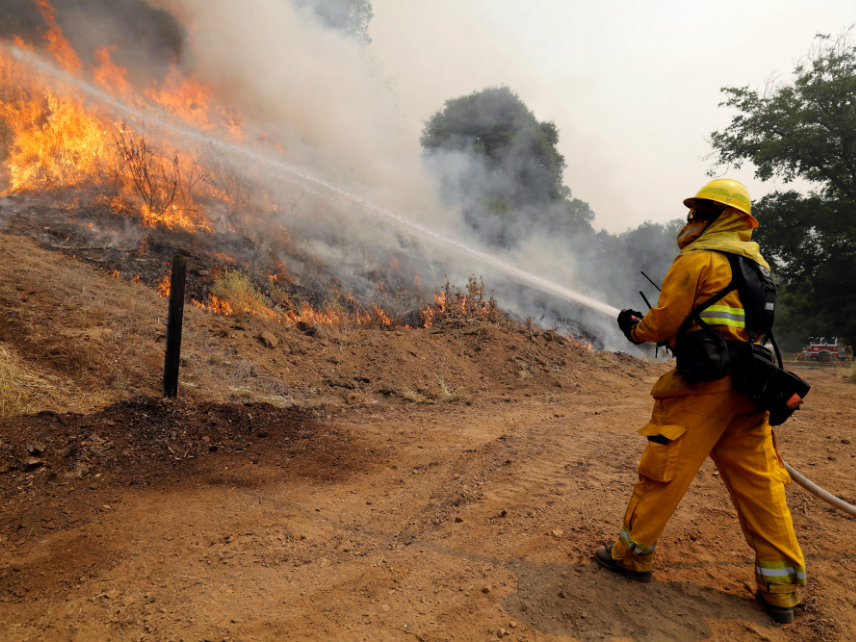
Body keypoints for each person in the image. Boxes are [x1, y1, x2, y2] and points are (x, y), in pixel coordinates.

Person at [594, 178, 806, 625]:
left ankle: (631, 556)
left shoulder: (697, 260)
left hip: (703, 390)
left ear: (718, 217)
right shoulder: (758, 264)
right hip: (748, 388)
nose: (691, 220)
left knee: (663, 472)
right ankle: (782, 587)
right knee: (762, 485)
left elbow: (664, 320)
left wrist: (635, 327)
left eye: (699, 211)